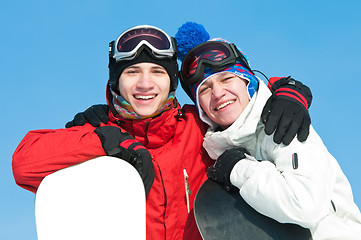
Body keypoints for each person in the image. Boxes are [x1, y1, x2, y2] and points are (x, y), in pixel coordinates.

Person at [13, 24, 313, 240]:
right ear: (116, 82)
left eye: (157, 72)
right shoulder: (97, 130)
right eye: (132, 72)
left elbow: (236, 96)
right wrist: (107, 141)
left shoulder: (199, 125)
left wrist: (286, 89)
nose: (145, 84)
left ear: (171, 82)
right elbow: (24, 163)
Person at [175, 22, 361, 239]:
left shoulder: (283, 120)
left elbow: (305, 205)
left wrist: (238, 168)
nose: (218, 93)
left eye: (227, 79)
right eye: (205, 89)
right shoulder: (216, 148)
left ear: (247, 81)